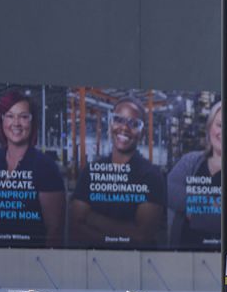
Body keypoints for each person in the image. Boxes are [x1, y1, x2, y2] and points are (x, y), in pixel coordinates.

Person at [0, 88, 65, 247]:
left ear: (32, 122)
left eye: (24, 117)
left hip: (31, 256)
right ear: (2, 120)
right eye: (10, 116)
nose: (16, 123)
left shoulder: (45, 167)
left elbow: (54, 229)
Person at [69, 97, 167, 248]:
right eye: (118, 120)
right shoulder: (91, 171)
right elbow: (74, 228)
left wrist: (94, 219)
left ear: (142, 132)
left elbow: (141, 237)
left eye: (134, 124)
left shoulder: (151, 176)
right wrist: (120, 235)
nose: (124, 128)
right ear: (110, 124)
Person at [166, 101, 227, 250]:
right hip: (187, 254)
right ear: (209, 127)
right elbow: (169, 190)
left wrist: (191, 210)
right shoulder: (191, 161)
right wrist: (215, 205)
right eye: (219, 125)